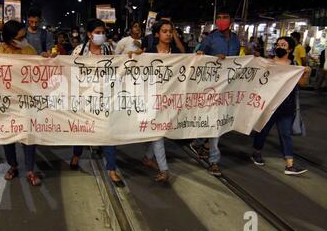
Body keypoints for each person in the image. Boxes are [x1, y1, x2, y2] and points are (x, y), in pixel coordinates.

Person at [0, 20, 42, 186]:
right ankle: (13, 166)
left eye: (24, 36)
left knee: (28, 136)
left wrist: (46, 60)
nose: (24, 40)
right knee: (7, 137)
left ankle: (30, 170)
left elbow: (38, 72)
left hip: (24, 101)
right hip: (3, 101)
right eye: (20, 37)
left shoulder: (29, 50)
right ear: (9, 38)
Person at [71, 19, 124, 187]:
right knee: (81, 129)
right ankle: (76, 155)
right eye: (97, 32)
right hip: (85, 97)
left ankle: (111, 169)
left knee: (108, 132)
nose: (101, 35)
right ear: (89, 34)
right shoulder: (79, 51)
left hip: (105, 98)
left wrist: (133, 57)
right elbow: (69, 69)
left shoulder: (109, 49)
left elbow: (119, 65)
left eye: (103, 32)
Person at [251, 37, 310, 175]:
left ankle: (289, 165)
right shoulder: (268, 62)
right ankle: (256, 152)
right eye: (278, 44)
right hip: (269, 105)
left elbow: (302, 84)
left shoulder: (295, 65)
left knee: (286, 134)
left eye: (283, 45)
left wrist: (306, 73)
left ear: (290, 49)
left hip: (286, 106)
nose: (280, 47)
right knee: (262, 131)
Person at [191, 11, 241, 176]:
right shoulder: (210, 38)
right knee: (215, 122)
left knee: (217, 121)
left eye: (225, 17)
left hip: (228, 86)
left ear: (231, 20)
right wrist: (207, 56)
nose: (221, 20)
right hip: (211, 85)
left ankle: (198, 142)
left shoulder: (235, 39)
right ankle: (214, 161)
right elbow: (198, 55)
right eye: (218, 18)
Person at [132, 19, 179, 182]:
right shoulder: (149, 53)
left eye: (170, 31)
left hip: (170, 99)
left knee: (161, 131)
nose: (168, 34)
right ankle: (164, 169)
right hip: (151, 99)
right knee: (158, 131)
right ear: (157, 34)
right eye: (164, 31)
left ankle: (147, 157)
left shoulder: (178, 55)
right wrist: (136, 57)